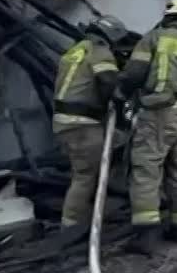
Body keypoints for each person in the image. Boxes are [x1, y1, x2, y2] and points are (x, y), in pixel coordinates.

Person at [118, 0, 177, 254]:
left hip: (156, 113)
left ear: (169, 15)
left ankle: (146, 236)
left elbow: (135, 73)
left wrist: (119, 94)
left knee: (147, 169)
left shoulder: (153, 38)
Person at [52, 15, 128, 227]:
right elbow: (108, 81)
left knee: (83, 172)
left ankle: (84, 216)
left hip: (63, 122)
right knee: (85, 176)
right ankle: (71, 226)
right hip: (83, 124)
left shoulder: (75, 50)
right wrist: (116, 98)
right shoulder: (100, 52)